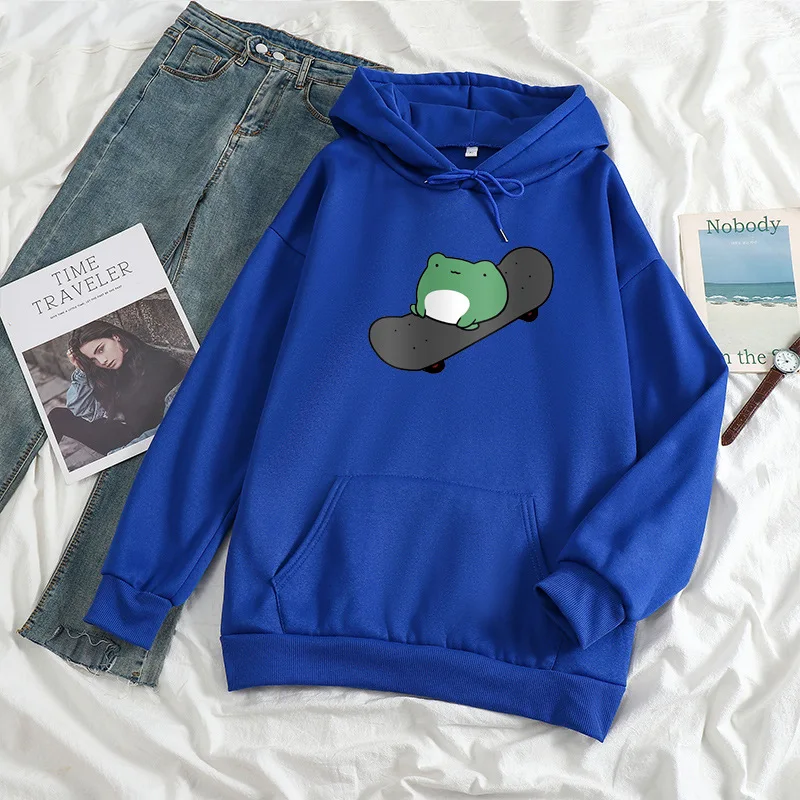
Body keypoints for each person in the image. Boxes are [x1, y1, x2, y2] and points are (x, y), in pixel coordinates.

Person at [47, 320, 188, 456]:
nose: (102, 361)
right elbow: (80, 409)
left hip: (144, 445)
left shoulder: (161, 365)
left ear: (116, 336)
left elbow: (170, 429)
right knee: (57, 416)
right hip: (125, 433)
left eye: (101, 349)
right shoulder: (111, 371)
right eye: (93, 360)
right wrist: (82, 371)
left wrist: (122, 453)